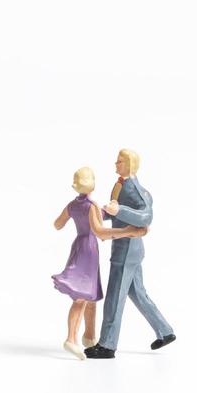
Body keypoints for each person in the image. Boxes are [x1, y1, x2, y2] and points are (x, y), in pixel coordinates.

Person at [84, 149, 176, 359]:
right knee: (138, 293)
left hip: (126, 250)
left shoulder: (135, 189)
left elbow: (145, 217)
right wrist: (102, 213)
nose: (116, 164)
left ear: (129, 165)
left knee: (115, 297)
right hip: (128, 249)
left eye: (120, 161)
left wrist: (119, 211)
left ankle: (107, 345)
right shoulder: (120, 185)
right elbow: (115, 211)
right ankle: (165, 331)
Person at [51, 166, 146, 359]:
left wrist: (101, 213)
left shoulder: (73, 205)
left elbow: (57, 224)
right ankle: (71, 339)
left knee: (91, 296)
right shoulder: (91, 205)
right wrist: (129, 231)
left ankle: (89, 336)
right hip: (88, 248)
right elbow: (100, 232)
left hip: (79, 245)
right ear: (92, 184)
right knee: (81, 297)